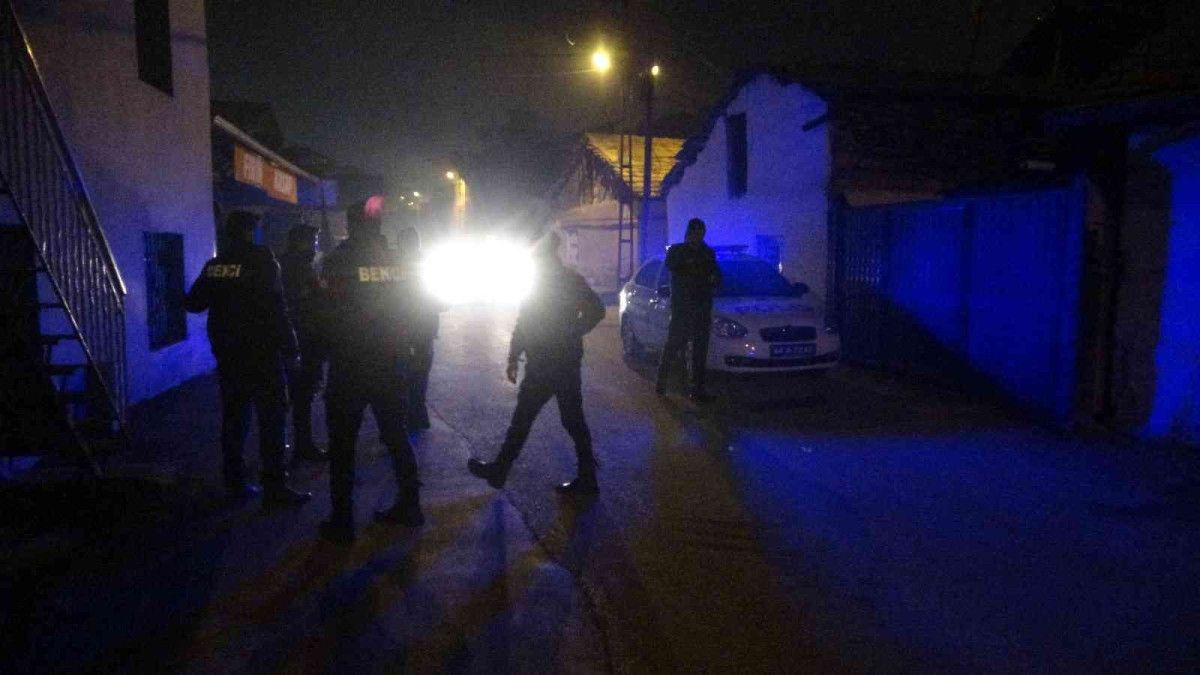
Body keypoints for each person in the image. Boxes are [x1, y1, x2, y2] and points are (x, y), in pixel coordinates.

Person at [184, 211, 312, 505]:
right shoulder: (262, 260)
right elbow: (276, 307)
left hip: (229, 353)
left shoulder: (216, 265)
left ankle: (235, 482)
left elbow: (194, 303)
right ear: (250, 231)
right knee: (272, 419)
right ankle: (275, 487)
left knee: (234, 418)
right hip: (262, 352)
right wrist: (291, 347)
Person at [467, 231, 606, 495]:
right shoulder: (557, 281)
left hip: (552, 363)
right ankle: (586, 478)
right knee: (565, 420)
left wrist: (572, 331)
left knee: (534, 419)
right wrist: (514, 355)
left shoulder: (565, 281)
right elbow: (526, 321)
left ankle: (501, 470)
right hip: (555, 362)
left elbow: (595, 310)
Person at [318, 197, 423, 544]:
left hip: (349, 365)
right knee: (396, 435)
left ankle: (343, 520)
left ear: (350, 225)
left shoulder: (338, 261)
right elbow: (415, 308)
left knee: (343, 445)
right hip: (390, 362)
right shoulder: (397, 261)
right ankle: (410, 505)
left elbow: (326, 314)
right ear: (379, 226)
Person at [655, 217, 722, 402]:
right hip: (682, 308)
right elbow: (675, 267)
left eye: (700, 233)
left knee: (699, 351)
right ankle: (662, 382)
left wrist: (710, 278)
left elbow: (716, 276)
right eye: (695, 232)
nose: (698, 236)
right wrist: (697, 270)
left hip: (701, 308)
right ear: (689, 233)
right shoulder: (677, 251)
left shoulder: (707, 253)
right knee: (673, 345)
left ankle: (697, 389)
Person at [280, 224, 329, 462]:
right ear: (303, 242)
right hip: (304, 340)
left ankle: (300, 444)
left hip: (294, 339)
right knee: (302, 395)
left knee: (299, 395)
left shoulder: (285, 264)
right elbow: (308, 301)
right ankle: (303, 446)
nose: (315, 246)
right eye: (314, 241)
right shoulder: (299, 267)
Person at [396, 226, 442, 430]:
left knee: (401, 377)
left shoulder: (393, 265)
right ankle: (417, 417)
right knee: (420, 376)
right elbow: (442, 301)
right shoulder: (428, 266)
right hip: (423, 331)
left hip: (402, 331)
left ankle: (405, 418)